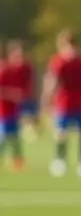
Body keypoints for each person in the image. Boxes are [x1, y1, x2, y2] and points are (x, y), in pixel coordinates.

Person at [44, 31, 81, 177]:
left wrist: (47, 97)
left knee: (61, 133)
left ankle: (60, 161)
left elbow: (53, 81)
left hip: (64, 102)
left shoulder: (59, 61)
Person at [0, 42, 27, 170]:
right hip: (3, 111)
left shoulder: (16, 71)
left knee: (16, 138)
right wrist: (12, 94)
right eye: (16, 55)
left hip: (14, 111)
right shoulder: (3, 70)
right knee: (4, 138)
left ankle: (18, 164)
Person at [8, 41, 40, 135]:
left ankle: (31, 132)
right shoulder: (9, 68)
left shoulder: (26, 66)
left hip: (26, 95)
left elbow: (33, 80)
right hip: (14, 98)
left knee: (31, 117)